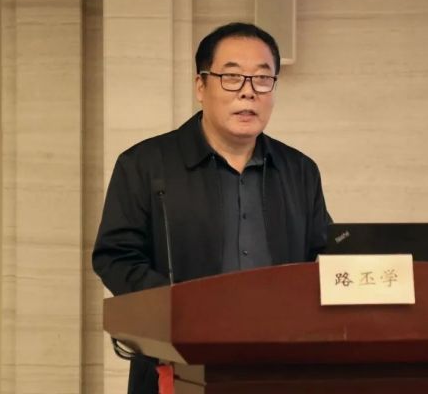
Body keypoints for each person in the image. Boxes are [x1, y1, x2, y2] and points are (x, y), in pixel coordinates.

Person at [92, 22, 332, 394]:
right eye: (232, 77)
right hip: (177, 366)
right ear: (201, 87)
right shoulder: (146, 164)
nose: (248, 92)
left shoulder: (299, 170)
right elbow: (116, 257)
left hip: (279, 369)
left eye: (262, 79)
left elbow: (323, 258)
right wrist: (184, 307)